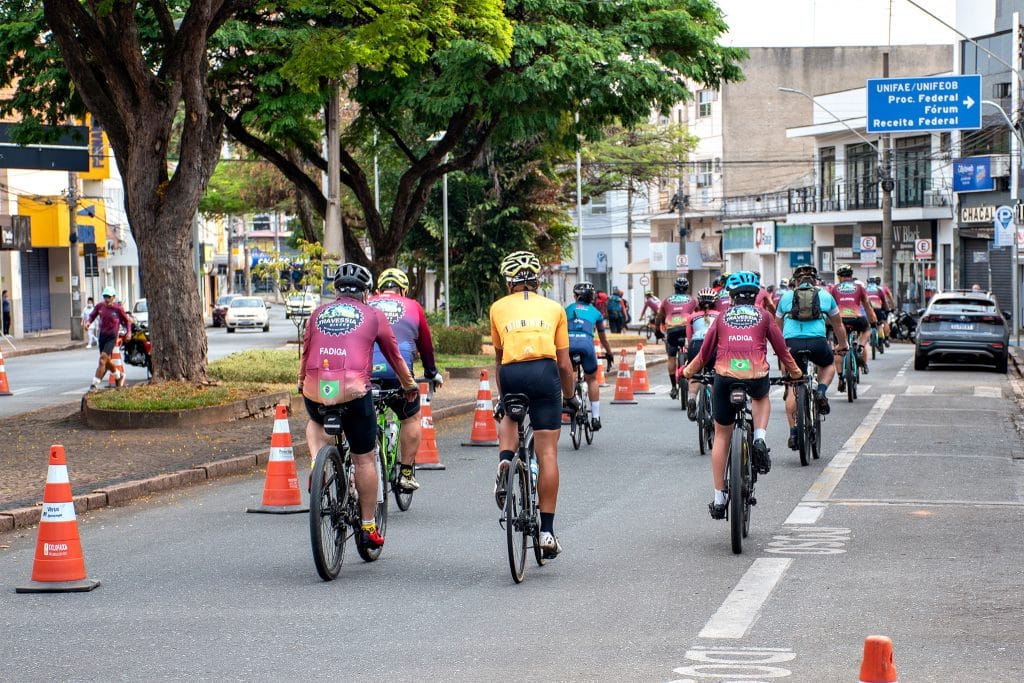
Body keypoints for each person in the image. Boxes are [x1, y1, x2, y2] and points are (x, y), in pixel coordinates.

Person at [298, 263, 418, 550]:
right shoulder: (374, 315)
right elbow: (394, 356)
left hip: (316, 389)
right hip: (354, 391)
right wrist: (409, 385)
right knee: (364, 459)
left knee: (315, 422)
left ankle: (317, 462)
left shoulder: (317, 314)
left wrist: (301, 383)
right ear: (366, 293)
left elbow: (305, 354)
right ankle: (367, 527)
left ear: (337, 292)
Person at [681, 272, 801, 520]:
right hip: (755, 375)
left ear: (731, 296)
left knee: (721, 435)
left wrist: (688, 371)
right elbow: (781, 350)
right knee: (761, 397)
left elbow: (704, 354)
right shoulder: (765, 316)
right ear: (755, 295)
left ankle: (718, 499)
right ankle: (759, 438)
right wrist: (796, 372)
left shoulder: (722, 317)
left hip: (724, 377)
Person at [490, 251, 577, 558]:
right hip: (544, 372)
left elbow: (499, 359)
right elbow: (564, 364)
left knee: (510, 414)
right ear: (538, 280)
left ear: (508, 282)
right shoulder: (555, 308)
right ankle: (547, 532)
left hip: (512, 373)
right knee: (548, 452)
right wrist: (570, 396)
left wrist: (503, 397)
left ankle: (505, 460)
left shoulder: (498, 308)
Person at [368, 267, 443, 493]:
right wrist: (431, 372)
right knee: (410, 417)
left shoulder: (366, 304)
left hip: (363, 374)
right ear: (403, 290)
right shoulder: (413, 306)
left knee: (356, 415)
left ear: (378, 290)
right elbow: (426, 346)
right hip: (398, 375)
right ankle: (406, 474)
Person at [775, 265, 849, 450]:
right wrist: (843, 345)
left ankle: (794, 433)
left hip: (792, 345)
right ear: (815, 280)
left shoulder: (786, 297)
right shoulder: (825, 296)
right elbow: (838, 325)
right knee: (828, 365)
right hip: (818, 342)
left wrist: (780, 348)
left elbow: (777, 327)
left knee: (793, 386)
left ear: (795, 281)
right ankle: (821, 391)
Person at [565, 281, 615, 431]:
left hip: (569, 345)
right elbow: (603, 338)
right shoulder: (596, 313)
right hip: (586, 346)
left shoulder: (567, 309)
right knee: (592, 379)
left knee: (570, 373)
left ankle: (572, 401)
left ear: (576, 296)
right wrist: (609, 353)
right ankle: (595, 417)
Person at [829, 265, 877, 383]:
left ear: (839, 277)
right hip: (857, 318)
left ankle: (841, 377)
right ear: (851, 276)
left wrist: (830, 323)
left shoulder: (834, 288)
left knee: (839, 348)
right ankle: (860, 348)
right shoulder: (859, 287)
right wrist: (872, 321)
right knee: (867, 330)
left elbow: (830, 307)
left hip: (841, 320)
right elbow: (867, 306)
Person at [681, 287, 721, 420]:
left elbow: (689, 339)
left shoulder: (691, 317)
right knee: (715, 376)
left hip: (696, 345)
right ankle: (716, 405)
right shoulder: (720, 315)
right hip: (714, 346)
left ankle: (692, 399)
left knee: (695, 374)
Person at [81, 286, 132, 390]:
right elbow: (92, 316)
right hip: (102, 336)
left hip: (112, 337)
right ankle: (118, 375)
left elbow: (127, 321)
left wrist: (129, 332)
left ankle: (94, 384)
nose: (107, 299)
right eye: (105, 296)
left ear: (113, 297)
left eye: (109, 297)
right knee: (106, 360)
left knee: (102, 360)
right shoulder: (100, 306)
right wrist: (88, 323)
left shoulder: (118, 309)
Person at [656, 276, 695, 400]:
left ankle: (673, 387)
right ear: (687, 288)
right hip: (686, 327)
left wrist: (657, 331)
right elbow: (698, 314)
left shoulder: (666, 300)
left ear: (675, 288)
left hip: (671, 329)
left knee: (671, 357)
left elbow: (659, 317)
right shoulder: (692, 299)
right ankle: (690, 365)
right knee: (692, 351)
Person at [865, 276, 894, 346]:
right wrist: (888, 309)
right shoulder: (880, 289)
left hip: (868, 309)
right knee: (882, 322)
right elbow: (884, 302)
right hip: (878, 308)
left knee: (867, 323)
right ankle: (885, 339)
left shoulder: (865, 289)